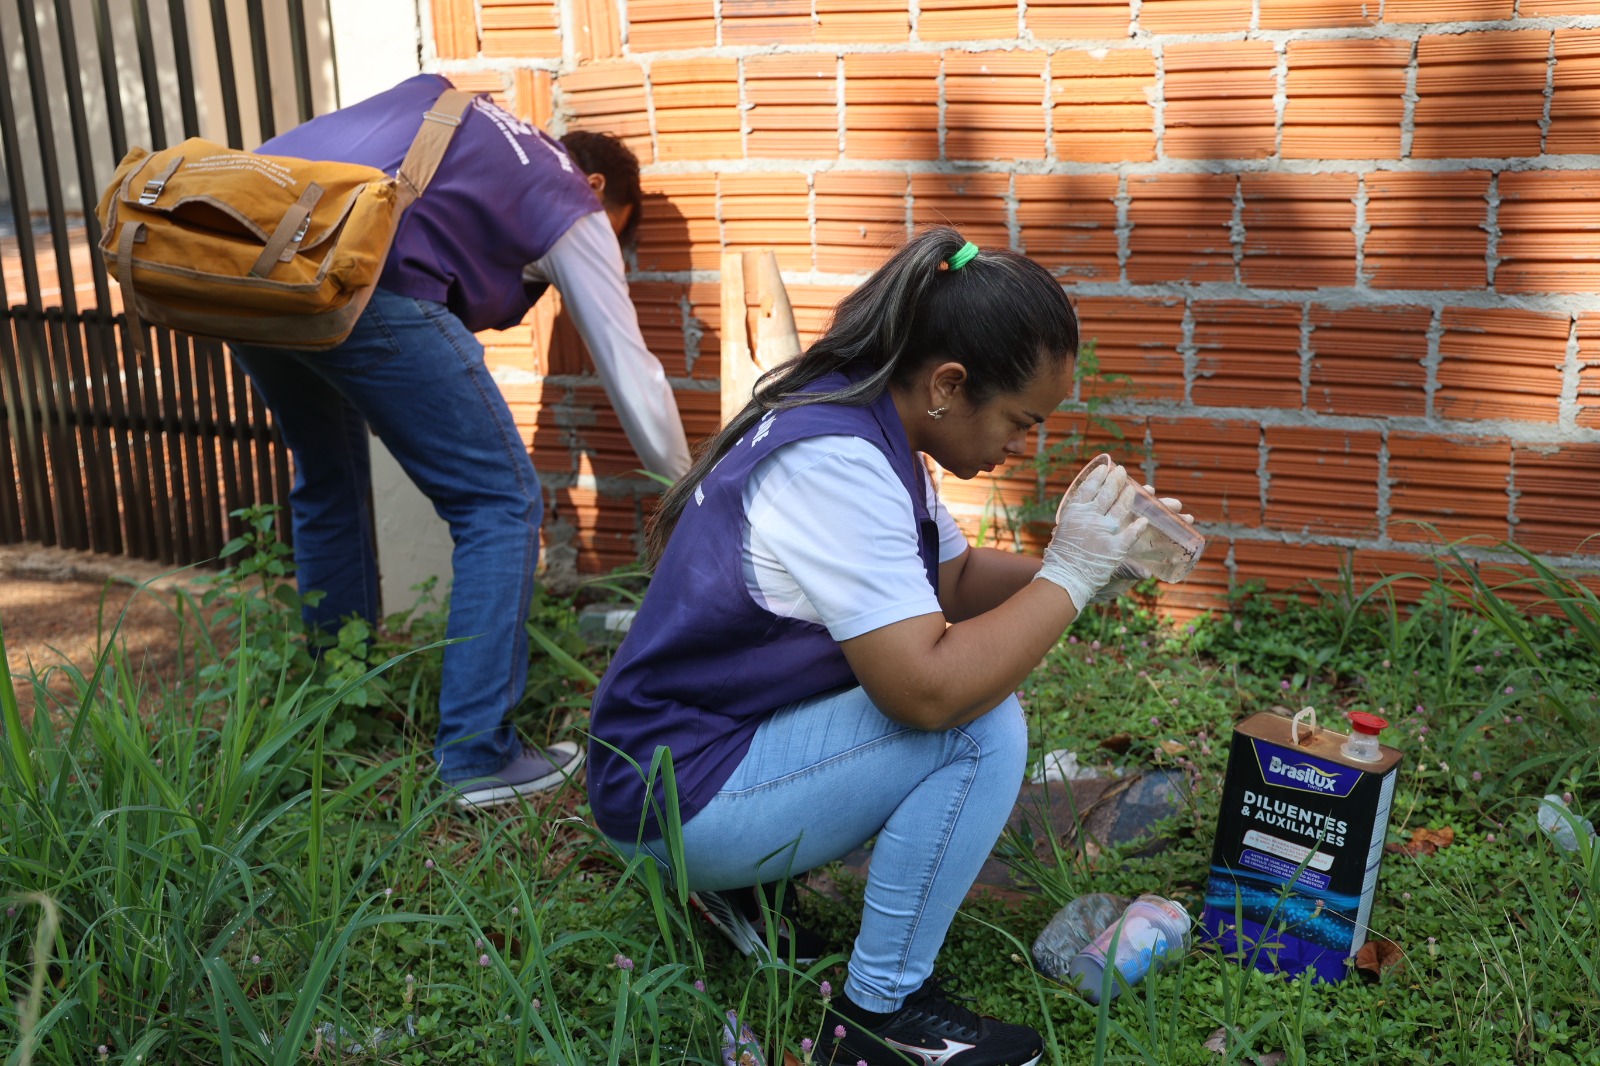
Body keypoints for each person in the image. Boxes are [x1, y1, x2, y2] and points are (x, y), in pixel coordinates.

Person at [588, 228, 1185, 1066]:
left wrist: (1093, 568)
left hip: (688, 755)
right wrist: (1069, 577)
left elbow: (955, 578)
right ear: (949, 384)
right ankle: (881, 1018)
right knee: (977, 725)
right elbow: (926, 694)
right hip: (674, 795)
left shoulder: (864, 420)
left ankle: (746, 889)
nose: (1025, 443)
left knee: (960, 695)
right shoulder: (835, 464)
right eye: (1022, 420)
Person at [230, 74, 691, 809]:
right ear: (597, 184)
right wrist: (689, 493)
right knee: (500, 503)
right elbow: (632, 374)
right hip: (361, 273)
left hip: (248, 260)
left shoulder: (468, 122)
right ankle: (478, 758)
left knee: (328, 475)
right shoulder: (568, 197)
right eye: (616, 226)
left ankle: (334, 708)